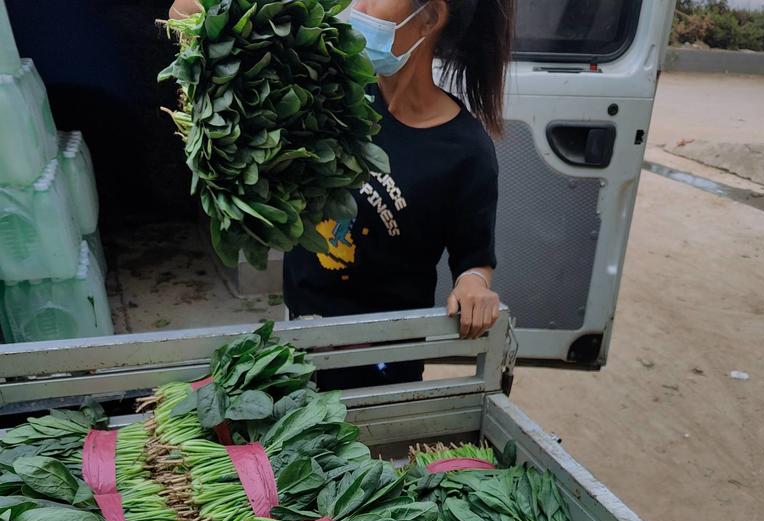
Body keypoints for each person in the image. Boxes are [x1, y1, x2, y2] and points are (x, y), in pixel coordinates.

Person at [169, 0, 514, 388]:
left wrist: (474, 286)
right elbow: (185, 14)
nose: (361, 6)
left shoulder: (466, 151)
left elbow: (474, 259)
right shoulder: (332, 87)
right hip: (300, 338)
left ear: (429, 18)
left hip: (386, 357)